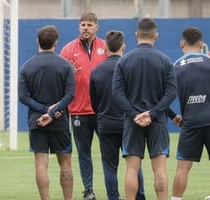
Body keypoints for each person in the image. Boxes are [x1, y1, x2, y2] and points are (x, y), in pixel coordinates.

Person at [112, 18, 177, 200]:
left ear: (136, 35)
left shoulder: (124, 61)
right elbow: (172, 92)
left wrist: (134, 115)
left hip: (132, 122)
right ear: (156, 36)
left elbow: (117, 93)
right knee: (160, 168)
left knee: (132, 169)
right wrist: (153, 113)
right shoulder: (165, 61)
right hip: (158, 122)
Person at [19, 25, 75, 200]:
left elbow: (23, 97)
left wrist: (44, 111)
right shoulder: (66, 65)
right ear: (56, 43)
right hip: (59, 121)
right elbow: (70, 95)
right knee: (65, 164)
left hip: (37, 120)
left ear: (38, 42)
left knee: (41, 164)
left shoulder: (27, 66)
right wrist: (53, 112)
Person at [89, 30, 146, 200]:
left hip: (106, 123)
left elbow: (94, 103)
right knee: (134, 165)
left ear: (105, 47)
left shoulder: (97, 71)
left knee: (109, 166)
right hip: (129, 123)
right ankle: (139, 196)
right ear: (124, 47)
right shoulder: (131, 68)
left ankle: (113, 197)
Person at [60, 12, 107, 200]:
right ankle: (89, 190)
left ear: (96, 27)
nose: (85, 27)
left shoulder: (106, 47)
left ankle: (113, 188)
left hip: (103, 110)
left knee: (109, 153)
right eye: (83, 25)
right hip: (79, 111)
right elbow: (60, 78)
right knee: (83, 153)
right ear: (79, 27)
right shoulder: (68, 50)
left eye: (89, 24)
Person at [171, 27, 210, 200]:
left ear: (181, 44)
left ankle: (176, 199)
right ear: (201, 44)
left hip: (190, 122)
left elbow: (162, 98)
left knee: (183, 167)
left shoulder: (175, 67)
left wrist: (173, 116)